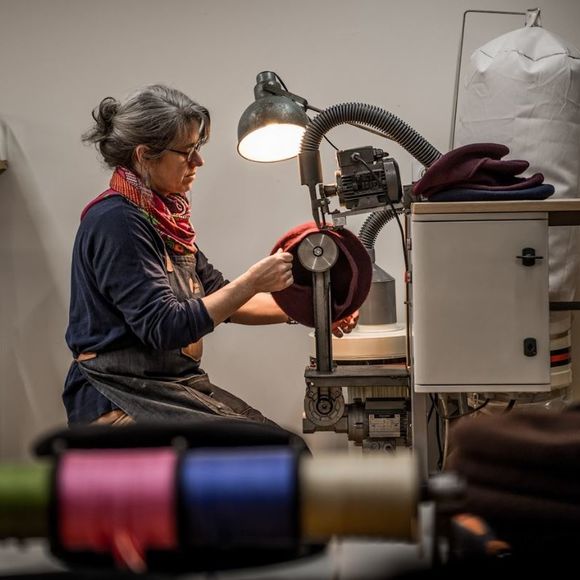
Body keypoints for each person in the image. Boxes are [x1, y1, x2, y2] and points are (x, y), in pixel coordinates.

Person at [63, 84, 357, 426]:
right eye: (187, 152)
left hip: (166, 387)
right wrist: (252, 282)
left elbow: (220, 297)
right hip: (119, 395)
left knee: (278, 446)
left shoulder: (161, 220)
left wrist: (315, 311)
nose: (198, 162)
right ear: (144, 156)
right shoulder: (119, 223)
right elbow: (165, 327)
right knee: (274, 455)